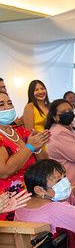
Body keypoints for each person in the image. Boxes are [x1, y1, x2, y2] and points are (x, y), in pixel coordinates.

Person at [15, 156, 75, 235]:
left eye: (64, 176)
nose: (65, 182)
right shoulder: (56, 209)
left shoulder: (22, 203)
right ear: (39, 190)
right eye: (58, 180)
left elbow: (70, 201)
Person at [0, 91, 49, 221]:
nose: (7, 108)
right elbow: (4, 172)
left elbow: (44, 164)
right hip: (8, 202)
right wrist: (30, 147)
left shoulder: (21, 131)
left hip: (32, 196)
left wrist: (37, 149)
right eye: (1, 104)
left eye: (9, 103)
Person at [45, 99, 75, 187]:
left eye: (70, 110)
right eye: (63, 112)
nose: (68, 113)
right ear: (55, 117)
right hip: (72, 184)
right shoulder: (58, 133)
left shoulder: (69, 129)